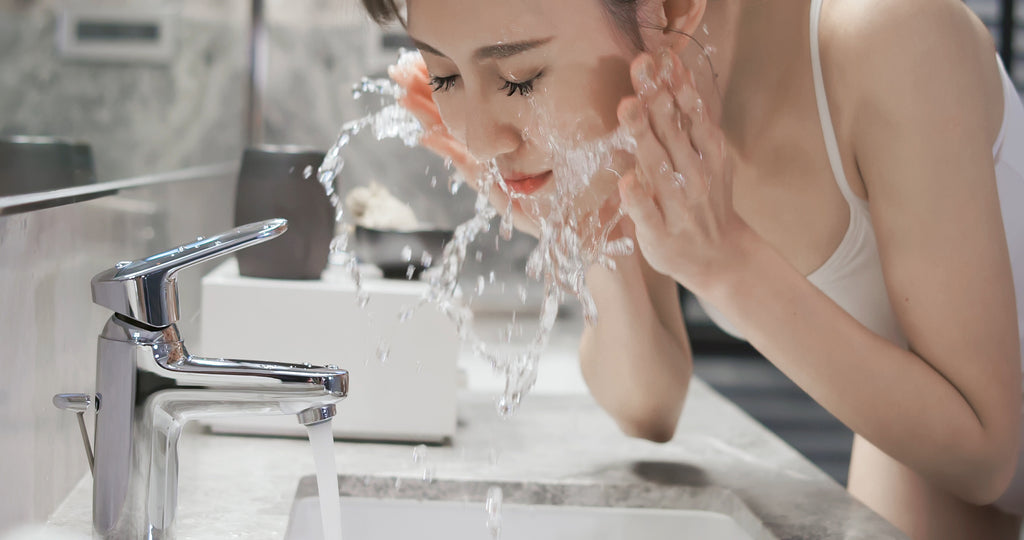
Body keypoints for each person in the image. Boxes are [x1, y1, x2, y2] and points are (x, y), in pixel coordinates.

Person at [358, 0, 1024, 537]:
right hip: (921, 453)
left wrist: (726, 265)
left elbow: (988, 453)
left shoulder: (892, 35)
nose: (478, 137)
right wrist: (579, 224)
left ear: (673, 11)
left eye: (520, 79)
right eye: (444, 75)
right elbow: (648, 403)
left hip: (966, 444)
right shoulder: (645, 117)